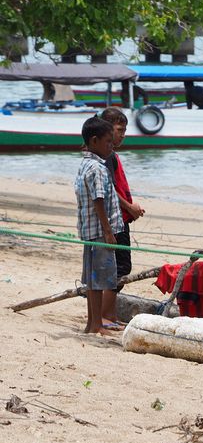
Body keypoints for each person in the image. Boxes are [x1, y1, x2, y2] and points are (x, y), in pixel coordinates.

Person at [74, 116, 123, 335]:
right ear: (94, 141)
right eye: (108, 142)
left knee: (93, 279)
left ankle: (92, 324)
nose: (111, 147)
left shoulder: (85, 164)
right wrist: (108, 231)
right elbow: (99, 200)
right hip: (99, 232)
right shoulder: (97, 168)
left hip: (91, 231)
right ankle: (96, 324)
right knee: (100, 279)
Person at [98, 107, 146, 329]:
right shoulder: (106, 157)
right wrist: (129, 207)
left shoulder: (111, 155)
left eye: (125, 131)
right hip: (113, 220)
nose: (122, 135)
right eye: (119, 130)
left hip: (119, 219)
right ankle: (105, 315)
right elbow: (108, 189)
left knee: (117, 267)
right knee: (119, 268)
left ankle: (109, 313)